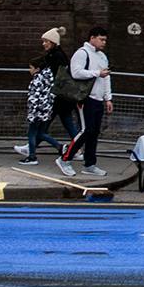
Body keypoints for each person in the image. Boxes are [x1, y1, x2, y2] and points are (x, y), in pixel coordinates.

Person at [15, 27, 81, 166]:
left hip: (56, 98)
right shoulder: (56, 55)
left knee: (41, 128)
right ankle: (75, 150)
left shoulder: (55, 57)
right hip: (60, 98)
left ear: (52, 42)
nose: (43, 44)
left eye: (45, 41)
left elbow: (53, 78)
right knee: (65, 124)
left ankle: (39, 150)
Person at [58, 26, 113, 178]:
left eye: (105, 40)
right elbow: (76, 72)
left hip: (98, 99)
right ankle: (65, 159)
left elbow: (106, 76)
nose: (103, 43)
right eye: (101, 39)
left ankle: (90, 164)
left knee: (94, 133)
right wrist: (97, 73)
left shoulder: (102, 56)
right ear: (92, 38)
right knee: (85, 130)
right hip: (85, 98)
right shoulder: (82, 53)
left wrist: (108, 98)